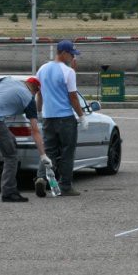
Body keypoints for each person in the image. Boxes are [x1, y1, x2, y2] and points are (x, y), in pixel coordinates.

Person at [34, 40, 88, 198]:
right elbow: (73, 98)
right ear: (63, 53)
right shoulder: (68, 72)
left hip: (48, 117)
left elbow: (39, 93)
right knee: (67, 152)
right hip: (65, 118)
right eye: (72, 54)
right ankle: (65, 186)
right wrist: (82, 116)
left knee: (49, 151)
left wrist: (38, 111)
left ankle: (41, 178)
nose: (73, 57)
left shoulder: (42, 69)